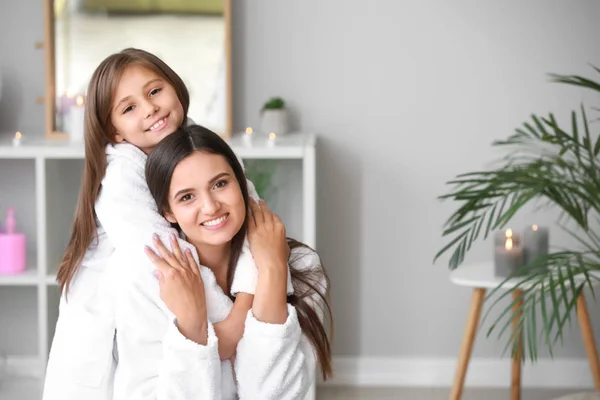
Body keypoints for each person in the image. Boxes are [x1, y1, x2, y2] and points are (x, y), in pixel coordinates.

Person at [42, 48, 292, 400]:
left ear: (175, 87)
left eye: (155, 91)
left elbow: (251, 218)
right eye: (129, 108)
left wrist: (253, 291)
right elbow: (167, 258)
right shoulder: (121, 177)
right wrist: (227, 326)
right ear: (114, 131)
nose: (150, 109)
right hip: (112, 301)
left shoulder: (201, 145)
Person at [144, 124, 333, 398]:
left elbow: (273, 395)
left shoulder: (302, 266)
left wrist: (272, 270)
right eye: (187, 197)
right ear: (168, 212)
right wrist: (192, 326)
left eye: (220, 184)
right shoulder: (148, 281)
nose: (210, 207)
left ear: (242, 184)